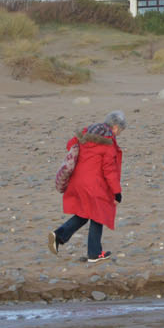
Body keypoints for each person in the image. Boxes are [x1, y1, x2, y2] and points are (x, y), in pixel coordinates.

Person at [49, 110, 125, 263]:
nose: (119, 134)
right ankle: (94, 253)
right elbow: (109, 170)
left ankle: (59, 236)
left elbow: (70, 145)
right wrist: (117, 192)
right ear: (115, 128)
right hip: (94, 184)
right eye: (120, 130)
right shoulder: (108, 143)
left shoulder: (86, 133)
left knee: (84, 213)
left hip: (78, 181)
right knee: (98, 214)